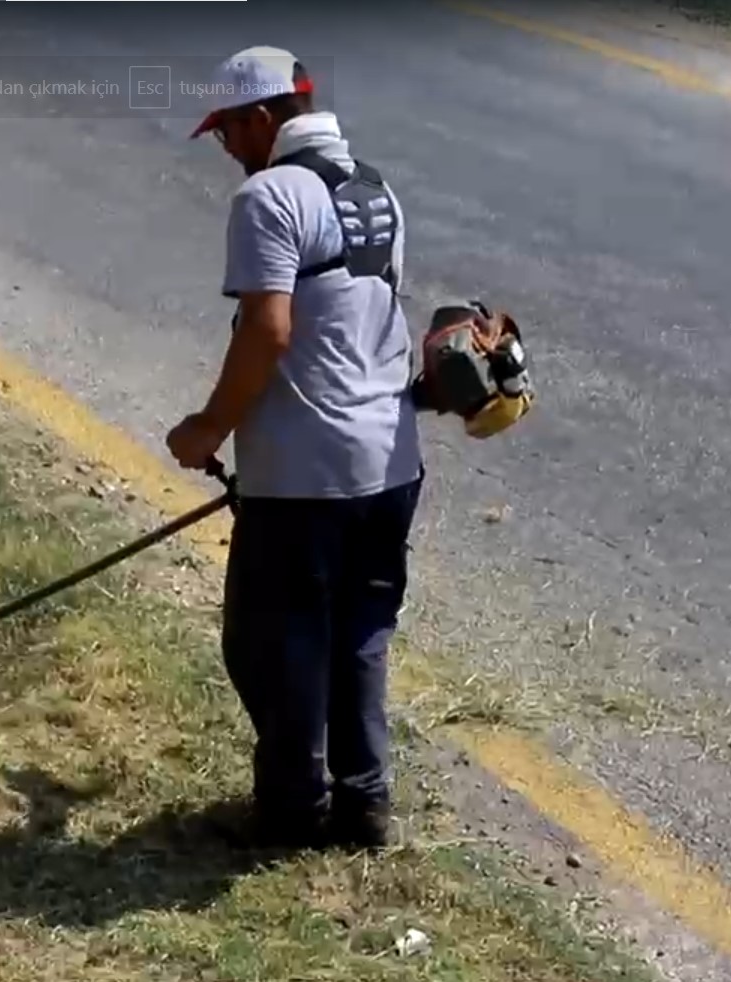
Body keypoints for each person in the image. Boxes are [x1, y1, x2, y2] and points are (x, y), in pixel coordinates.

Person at [167, 45, 424, 851]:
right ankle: (364, 805)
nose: (228, 151)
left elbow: (269, 331)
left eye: (228, 133)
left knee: (270, 639)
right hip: (390, 463)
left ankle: (290, 812)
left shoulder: (269, 198)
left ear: (262, 117)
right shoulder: (379, 190)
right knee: (359, 631)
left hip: (304, 475)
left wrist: (207, 428)